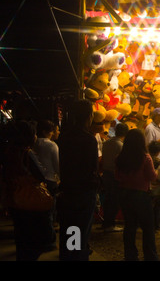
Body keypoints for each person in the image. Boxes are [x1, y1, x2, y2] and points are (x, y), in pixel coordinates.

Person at [1, 120, 56, 260]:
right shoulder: (27, 153)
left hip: (15, 199)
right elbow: (40, 175)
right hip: (30, 200)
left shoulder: (8, 152)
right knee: (35, 242)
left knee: (22, 239)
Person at [57, 99, 100, 261]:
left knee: (70, 229)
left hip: (67, 191)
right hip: (83, 193)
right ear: (89, 116)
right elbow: (92, 168)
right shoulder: (88, 140)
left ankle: (69, 256)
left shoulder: (64, 137)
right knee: (80, 231)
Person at [115, 128, 158, 261]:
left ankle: (130, 255)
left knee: (129, 226)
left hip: (124, 194)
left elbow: (117, 176)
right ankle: (150, 256)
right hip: (141, 196)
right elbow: (152, 177)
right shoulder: (145, 158)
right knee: (148, 228)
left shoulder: (120, 158)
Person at [100, 122, 129, 232]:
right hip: (115, 175)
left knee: (108, 199)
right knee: (114, 200)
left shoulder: (107, 143)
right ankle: (110, 224)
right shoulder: (120, 145)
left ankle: (106, 222)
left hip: (106, 173)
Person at [148, 140, 160, 231]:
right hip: (157, 188)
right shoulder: (158, 161)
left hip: (146, 187)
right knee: (157, 207)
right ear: (158, 152)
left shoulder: (145, 159)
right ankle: (157, 226)